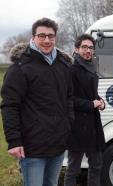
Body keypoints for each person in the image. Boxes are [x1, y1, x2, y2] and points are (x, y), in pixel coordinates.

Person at [1, 18, 74, 186]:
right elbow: (10, 106)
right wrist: (14, 141)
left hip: (58, 144)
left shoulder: (64, 65)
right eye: (42, 36)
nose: (47, 40)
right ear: (33, 37)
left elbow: (69, 98)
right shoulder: (20, 67)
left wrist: (68, 124)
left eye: (51, 36)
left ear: (55, 37)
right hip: (32, 146)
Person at [64, 34, 105, 186]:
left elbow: (91, 94)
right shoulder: (71, 70)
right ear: (76, 49)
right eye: (84, 47)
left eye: (91, 48)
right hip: (77, 126)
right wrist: (91, 104)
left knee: (96, 166)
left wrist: (101, 102)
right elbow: (68, 99)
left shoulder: (91, 67)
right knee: (73, 169)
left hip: (93, 125)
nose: (88, 50)